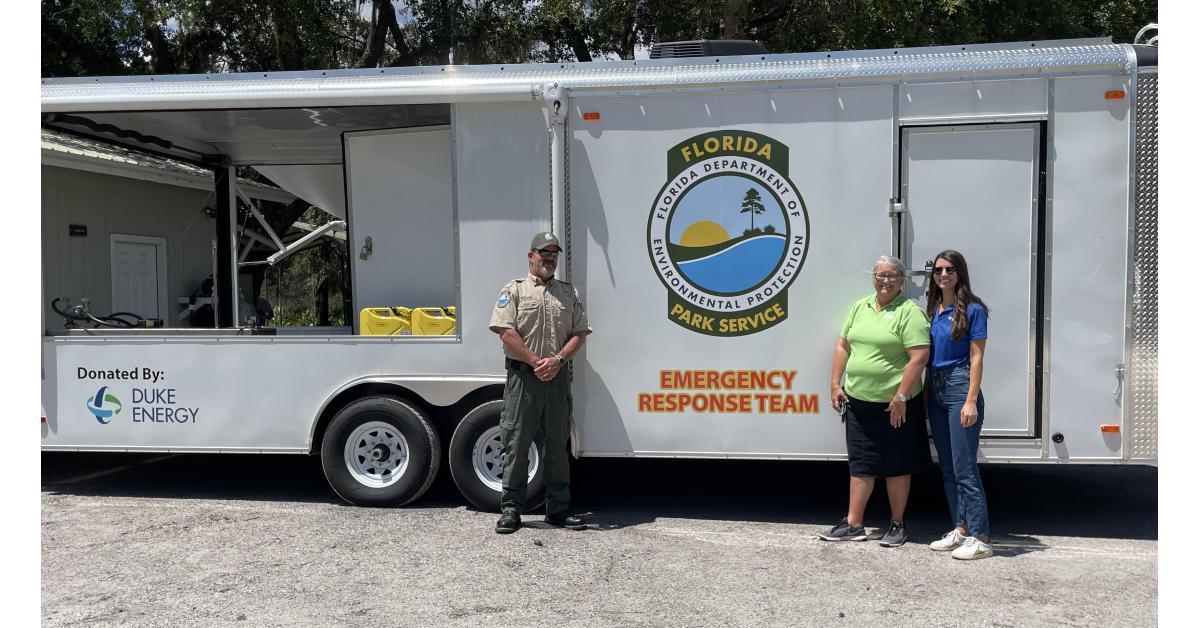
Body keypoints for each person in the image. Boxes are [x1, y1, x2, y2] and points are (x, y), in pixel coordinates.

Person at [820, 255, 931, 547]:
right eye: (881, 275)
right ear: (873, 278)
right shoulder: (861, 306)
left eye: (892, 275)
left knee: (896, 464)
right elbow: (844, 344)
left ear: (902, 280)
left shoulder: (910, 312)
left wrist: (901, 396)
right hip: (858, 401)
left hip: (896, 404)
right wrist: (835, 383)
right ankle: (854, 523)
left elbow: (919, 357)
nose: (886, 281)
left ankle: (897, 524)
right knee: (861, 464)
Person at [488, 232, 592, 534]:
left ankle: (558, 510)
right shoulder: (515, 290)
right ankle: (511, 510)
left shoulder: (568, 293)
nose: (549, 258)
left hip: (556, 379)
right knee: (516, 445)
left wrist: (557, 361)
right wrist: (537, 362)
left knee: (557, 446)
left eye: (553, 253)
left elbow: (579, 334)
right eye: (543, 252)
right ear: (531, 256)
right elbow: (505, 331)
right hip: (524, 379)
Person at [924, 250, 993, 560]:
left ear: (960, 273)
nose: (944, 274)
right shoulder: (934, 309)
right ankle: (960, 529)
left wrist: (970, 401)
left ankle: (981, 537)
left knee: (965, 468)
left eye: (950, 269)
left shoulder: (974, 310)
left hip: (959, 387)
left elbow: (977, 357)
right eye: (939, 269)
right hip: (935, 387)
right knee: (949, 468)